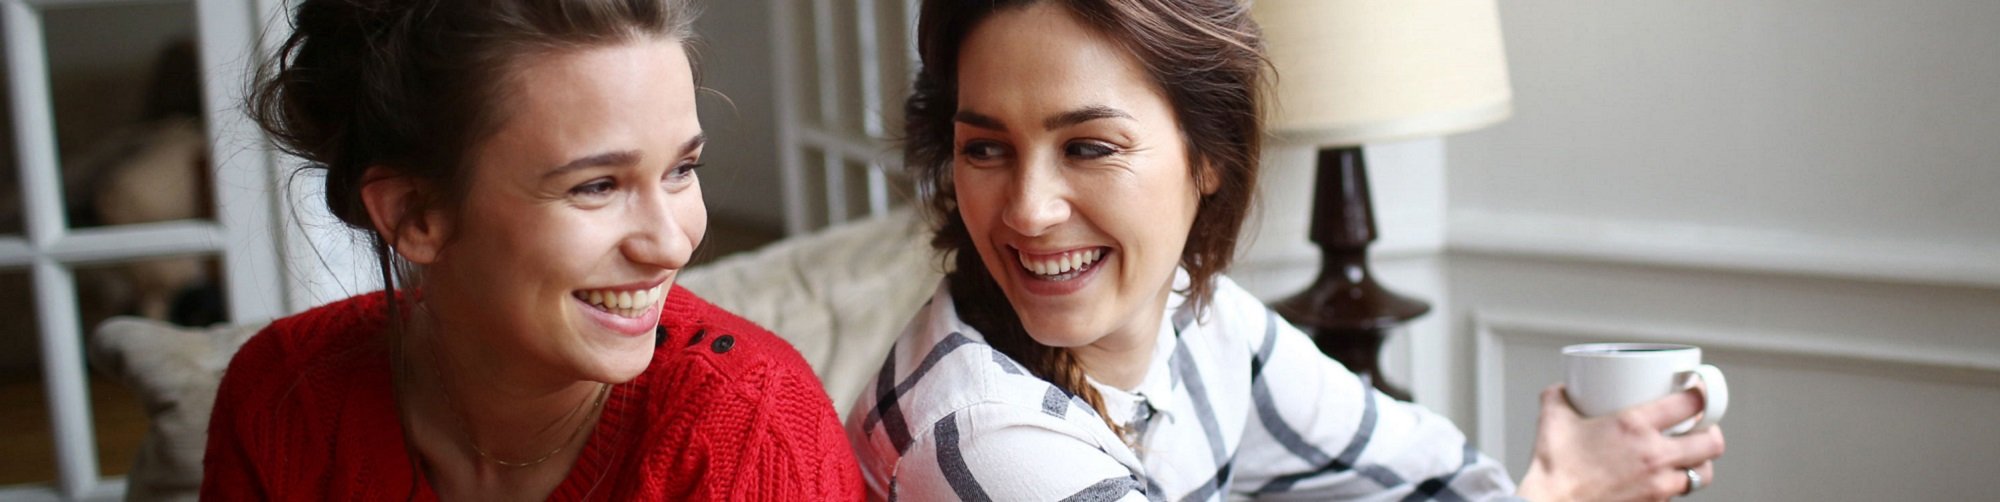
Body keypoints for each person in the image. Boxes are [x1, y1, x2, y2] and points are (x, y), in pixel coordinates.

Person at [845, 1, 1727, 501]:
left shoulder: (1199, 322)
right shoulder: (982, 441)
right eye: (986, 148)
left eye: (1089, 146)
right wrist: (1563, 490)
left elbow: (1440, 479)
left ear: (1209, 158)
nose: (1029, 211)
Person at [203, 0, 863, 499]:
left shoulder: (751, 441)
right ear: (414, 215)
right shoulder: (283, 400)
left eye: (681, 170)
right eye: (597, 186)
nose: (671, 244)